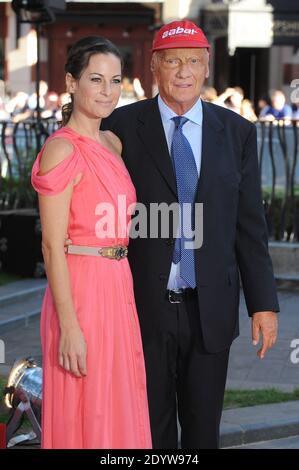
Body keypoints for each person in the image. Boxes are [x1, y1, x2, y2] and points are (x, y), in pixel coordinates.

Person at [101, 20, 280, 449]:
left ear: (206, 68)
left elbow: (250, 226)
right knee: (150, 429)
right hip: (144, 304)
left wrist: (264, 305)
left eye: (193, 61)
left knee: (203, 432)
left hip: (210, 306)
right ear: (154, 69)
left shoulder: (237, 132)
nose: (184, 71)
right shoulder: (120, 126)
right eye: (173, 61)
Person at [31, 36, 152, 449]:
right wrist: (69, 327)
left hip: (118, 286)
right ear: (70, 81)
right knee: (87, 404)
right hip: (81, 293)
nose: (107, 91)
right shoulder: (61, 150)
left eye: (115, 80)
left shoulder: (113, 144)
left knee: (118, 399)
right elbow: (51, 246)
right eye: (96, 79)